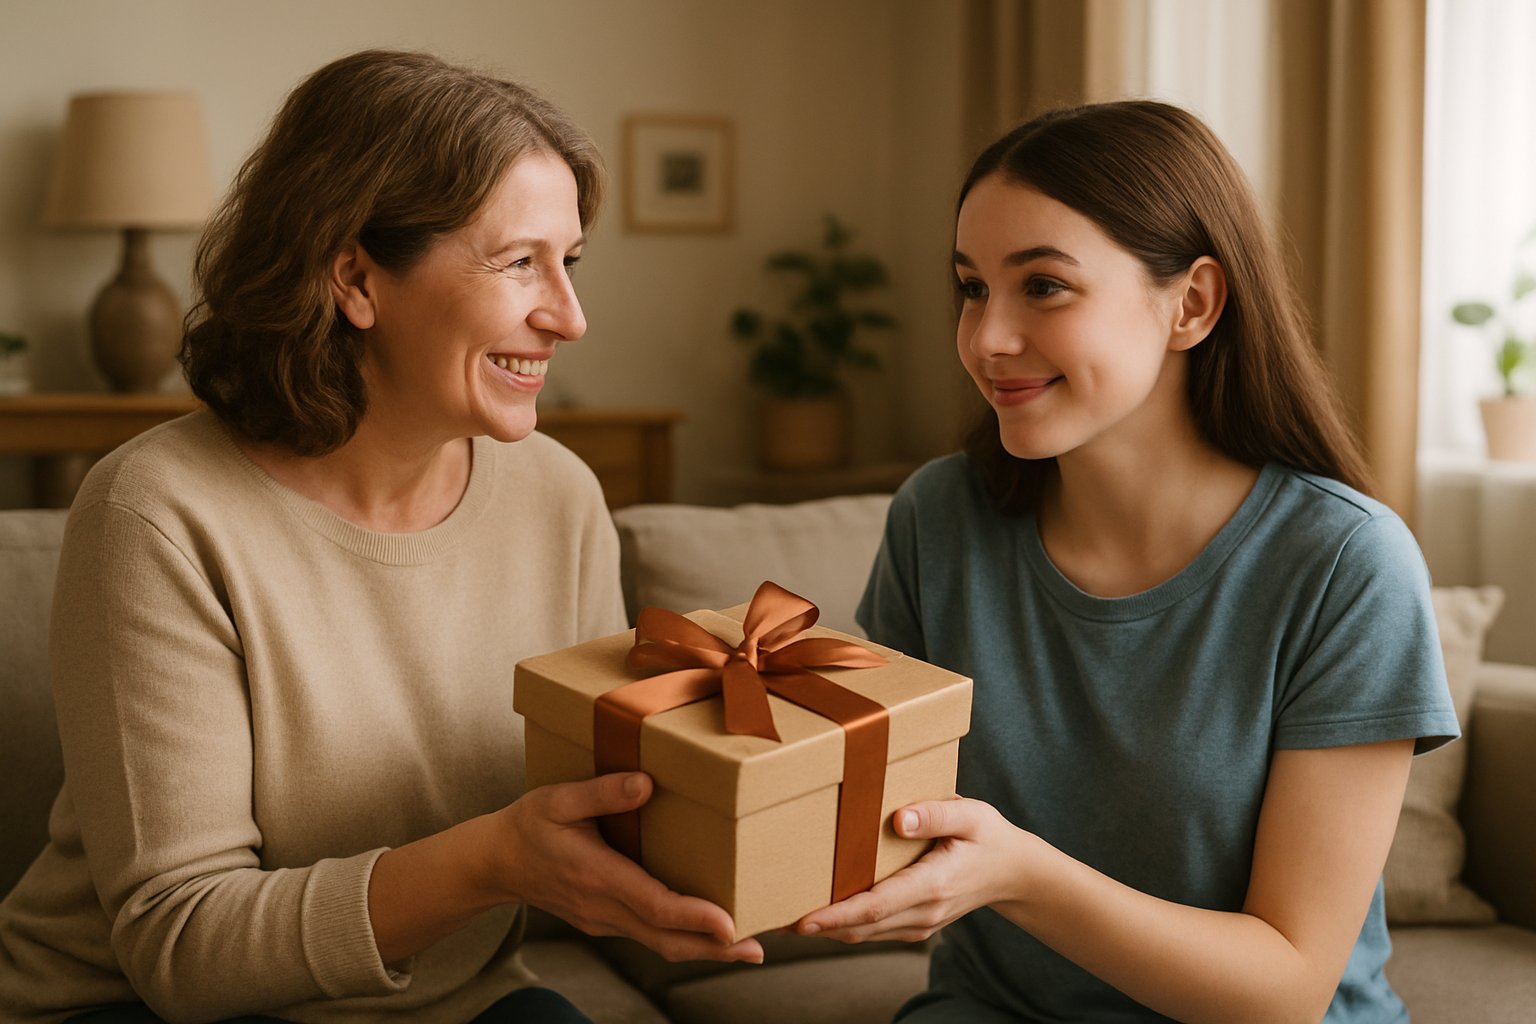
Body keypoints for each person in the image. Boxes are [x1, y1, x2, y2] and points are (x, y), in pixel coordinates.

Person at [0, 49, 762, 1024]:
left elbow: (604, 807)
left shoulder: (559, 494)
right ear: (357, 277)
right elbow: (182, 946)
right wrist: (493, 859)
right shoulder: (156, 512)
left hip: (451, 999)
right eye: (518, 261)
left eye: (568, 263)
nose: (568, 316)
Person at [795, 101, 1458, 1023]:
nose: (987, 339)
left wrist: (1020, 876)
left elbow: (1289, 987)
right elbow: (880, 820)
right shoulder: (937, 519)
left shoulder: (1346, 565)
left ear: (1191, 304)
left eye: (1044, 287)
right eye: (972, 287)